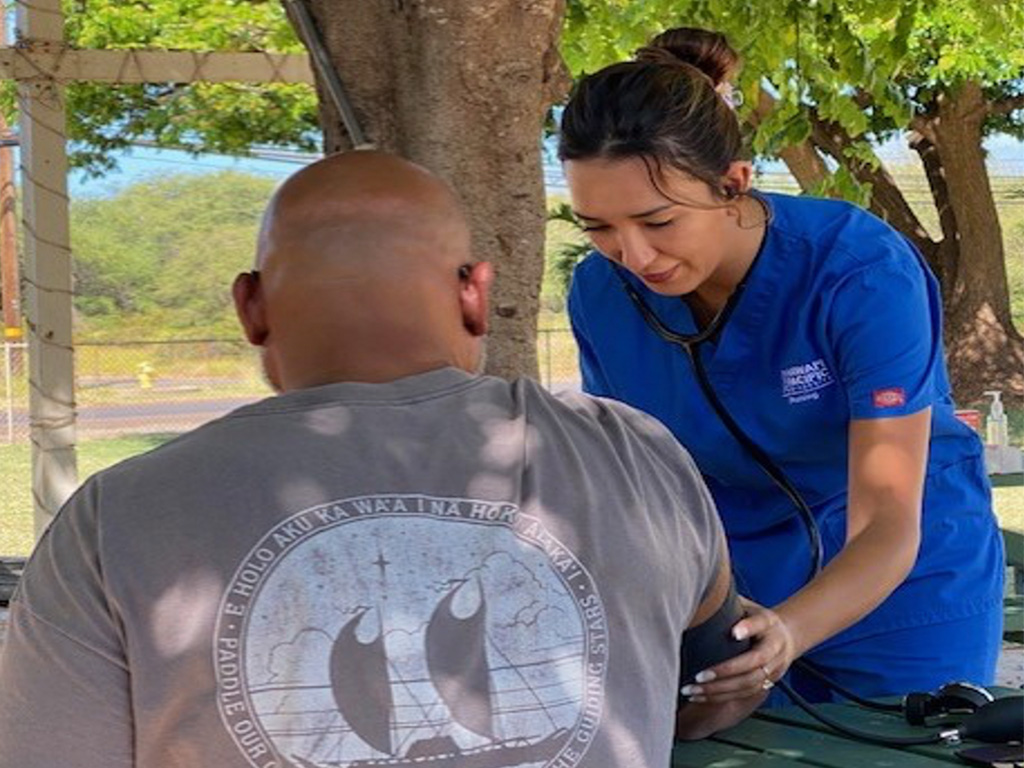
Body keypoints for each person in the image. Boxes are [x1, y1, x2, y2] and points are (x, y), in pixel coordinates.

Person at [0, 150, 762, 768]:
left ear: (251, 307)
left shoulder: (117, 515)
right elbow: (719, 677)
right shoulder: (635, 454)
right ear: (474, 295)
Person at [559, 27, 1004, 707]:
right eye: (598, 227)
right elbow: (637, 484)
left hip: (903, 584)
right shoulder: (600, 293)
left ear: (733, 184)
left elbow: (888, 518)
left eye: (658, 222)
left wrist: (791, 630)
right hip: (732, 596)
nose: (634, 257)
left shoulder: (858, 273)